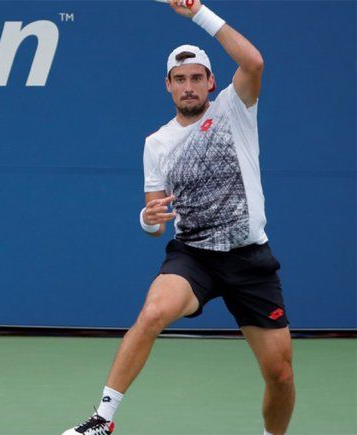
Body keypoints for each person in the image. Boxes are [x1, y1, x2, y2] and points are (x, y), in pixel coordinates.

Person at [62, 1, 295, 434]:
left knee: (280, 375)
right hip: (194, 257)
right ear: (168, 86)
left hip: (250, 260)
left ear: (211, 82)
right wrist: (147, 218)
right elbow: (155, 223)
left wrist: (199, 13)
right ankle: (103, 419)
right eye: (179, 79)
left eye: (196, 78)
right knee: (152, 312)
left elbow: (254, 60)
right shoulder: (157, 143)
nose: (188, 86)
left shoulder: (236, 108)